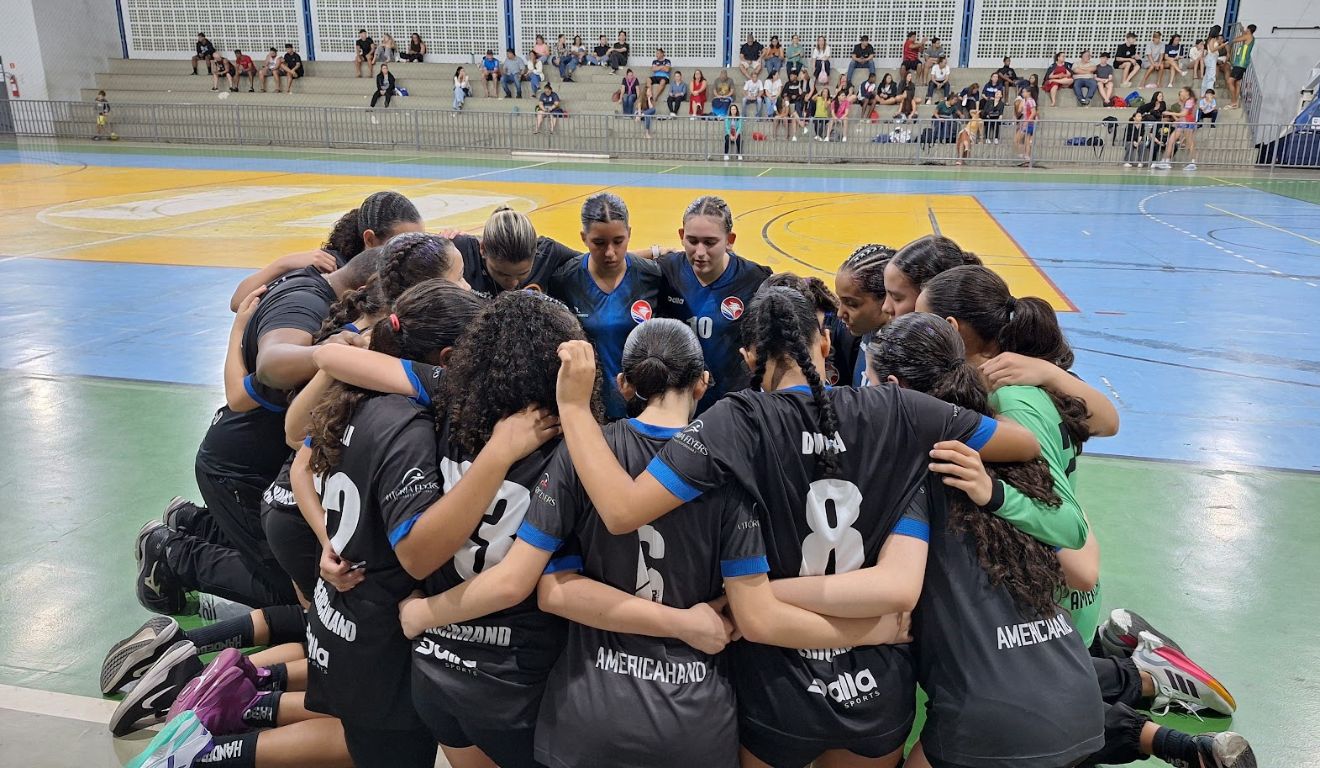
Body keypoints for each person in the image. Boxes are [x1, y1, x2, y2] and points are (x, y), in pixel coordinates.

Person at [550, 285, 1040, 768]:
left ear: (747, 357)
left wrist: (574, 409)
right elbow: (1024, 444)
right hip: (874, 678)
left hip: (778, 676)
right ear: (824, 341)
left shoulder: (736, 421)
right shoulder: (899, 410)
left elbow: (621, 510)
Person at [131, 192, 423, 615]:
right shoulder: (312, 312)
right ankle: (172, 554)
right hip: (238, 468)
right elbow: (265, 372)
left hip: (253, 457)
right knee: (289, 589)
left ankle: (193, 522)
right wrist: (327, 356)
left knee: (276, 548)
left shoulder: (331, 297)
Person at [399, 291, 589, 768]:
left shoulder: (446, 415)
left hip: (435, 666)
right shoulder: (570, 451)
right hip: (512, 681)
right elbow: (517, 582)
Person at [546, 194, 666, 420]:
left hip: (643, 408)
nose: (610, 252)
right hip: (588, 408)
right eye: (599, 243)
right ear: (584, 238)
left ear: (629, 233)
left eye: (618, 241)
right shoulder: (565, 280)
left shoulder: (652, 276)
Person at [652, 197, 769, 411]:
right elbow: (605, 262)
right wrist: (653, 251)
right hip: (675, 404)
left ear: (729, 239)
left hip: (732, 406)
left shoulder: (754, 279)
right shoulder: (665, 271)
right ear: (681, 236)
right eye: (692, 240)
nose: (700, 252)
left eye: (710, 242)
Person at [833, 243, 896, 386]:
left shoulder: (896, 358)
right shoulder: (866, 332)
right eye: (840, 301)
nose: (840, 313)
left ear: (885, 299)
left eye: (852, 304)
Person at [1153, 86, 1199, 170]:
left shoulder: (1190, 101)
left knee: (1190, 142)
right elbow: (1182, 115)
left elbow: (1184, 114)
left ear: (1187, 92)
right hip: (1182, 123)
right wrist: (1177, 121)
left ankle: (1193, 162)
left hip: (1188, 123)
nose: (1180, 93)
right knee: (1171, 140)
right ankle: (1165, 161)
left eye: (1182, 91)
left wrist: (1170, 113)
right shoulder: (1184, 102)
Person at [1227, 24, 1255, 109]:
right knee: (1237, 83)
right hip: (1242, 64)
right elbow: (1244, 37)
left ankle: (1233, 101)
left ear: (1249, 29)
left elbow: (1235, 40)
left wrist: (1242, 33)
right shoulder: (1251, 37)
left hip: (1240, 63)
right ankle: (1236, 103)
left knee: (1230, 81)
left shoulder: (1248, 36)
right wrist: (1243, 31)